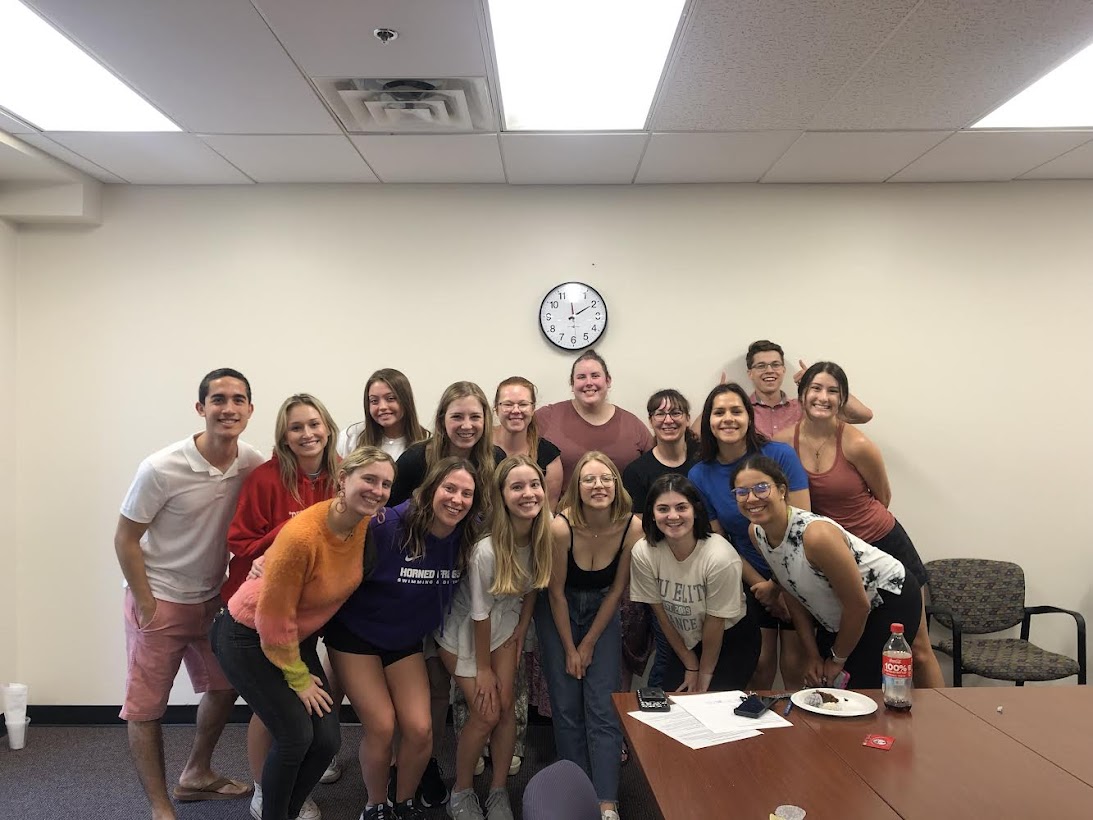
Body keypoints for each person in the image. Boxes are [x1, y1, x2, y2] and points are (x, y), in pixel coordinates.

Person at [211, 447, 396, 820]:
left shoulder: (361, 523)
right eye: (369, 479)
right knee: (296, 736)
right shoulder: (304, 535)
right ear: (343, 481)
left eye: (386, 484)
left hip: (294, 637)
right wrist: (299, 679)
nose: (378, 490)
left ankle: (286, 811)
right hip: (248, 635)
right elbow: (272, 621)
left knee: (326, 740)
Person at [113, 368, 262, 820]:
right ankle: (161, 806)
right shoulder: (160, 467)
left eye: (238, 400)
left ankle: (196, 774)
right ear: (201, 409)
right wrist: (145, 603)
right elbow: (125, 538)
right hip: (159, 598)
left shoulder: (252, 463)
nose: (228, 408)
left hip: (213, 601)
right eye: (218, 399)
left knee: (224, 687)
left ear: (250, 410)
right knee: (145, 708)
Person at [326, 458, 485, 820]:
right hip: (355, 636)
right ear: (430, 490)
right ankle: (375, 806)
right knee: (382, 726)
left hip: (404, 641)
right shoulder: (387, 525)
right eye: (449, 488)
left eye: (466, 493)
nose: (457, 499)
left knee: (420, 727)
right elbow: (329, 547)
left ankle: (403, 801)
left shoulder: (469, 534)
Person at [777, 362, 944, 688]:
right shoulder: (783, 443)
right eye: (815, 389)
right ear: (801, 395)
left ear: (842, 400)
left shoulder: (857, 444)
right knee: (853, 646)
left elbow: (882, 497)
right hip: (830, 555)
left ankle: (944, 724)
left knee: (919, 649)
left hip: (883, 544)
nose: (823, 397)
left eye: (832, 391)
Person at [387, 382, 506, 805]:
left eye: (475, 416)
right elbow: (388, 520)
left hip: (467, 589)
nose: (467, 425)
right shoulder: (417, 459)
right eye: (457, 416)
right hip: (417, 587)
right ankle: (410, 766)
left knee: (445, 688)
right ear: (441, 420)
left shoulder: (499, 461)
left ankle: (430, 762)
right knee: (423, 686)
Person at [224, 394, 342, 820]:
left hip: (307, 616)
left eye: (314, 424)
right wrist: (288, 534)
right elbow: (239, 543)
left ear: (327, 428)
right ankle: (263, 789)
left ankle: (290, 785)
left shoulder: (344, 475)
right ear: (284, 436)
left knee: (319, 730)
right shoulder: (265, 480)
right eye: (297, 427)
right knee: (276, 715)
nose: (307, 434)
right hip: (259, 615)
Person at [734, 455, 921, 689]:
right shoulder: (757, 533)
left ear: (781, 490)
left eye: (761, 488)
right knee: (821, 680)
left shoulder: (816, 536)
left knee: (860, 689)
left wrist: (837, 659)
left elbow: (858, 606)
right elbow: (791, 591)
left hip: (887, 597)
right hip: (843, 610)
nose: (751, 498)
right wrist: (812, 654)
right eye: (741, 492)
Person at [437, 456, 553, 820]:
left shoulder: (541, 536)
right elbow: (478, 614)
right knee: (486, 713)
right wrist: (484, 670)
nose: (527, 493)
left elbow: (534, 587)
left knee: (505, 712)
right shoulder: (486, 550)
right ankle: (462, 791)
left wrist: (521, 631)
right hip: (465, 633)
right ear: (502, 496)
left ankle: (499, 790)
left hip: (506, 626)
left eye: (534, 485)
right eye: (516, 487)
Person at [534, 452, 642, 820]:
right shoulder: (561, 527)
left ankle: (606, 800)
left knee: (602, 707)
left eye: (606, 478)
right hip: (558, 612)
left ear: (617, 484)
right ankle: (574, 795)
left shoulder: (633, 527)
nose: (598, 486)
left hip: (602, 611)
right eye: (589, 480)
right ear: (576, 488)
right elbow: (555, 593)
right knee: (565, 706)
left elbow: (616, 591)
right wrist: (570, 648)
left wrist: (590, 642)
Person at [687, 383, 809, 690]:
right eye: (719, 412)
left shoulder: (780, 455)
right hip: (748, 576)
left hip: (798, 571)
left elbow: (803, 527)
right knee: (759, 666)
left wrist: (779, 586)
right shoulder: (699, 474)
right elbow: (720, 542)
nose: (728, 418)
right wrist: (763, 588)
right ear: (708, 422)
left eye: (736, 411)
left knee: (797, 666)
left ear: (749, 416)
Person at [630, 475, 760, 692]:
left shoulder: (720, 556)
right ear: (652, 514)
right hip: (684, 641)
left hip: (730, 639)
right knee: (674, 703)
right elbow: (661, 614)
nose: (673, 516)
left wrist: (704, 675)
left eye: (681, 507)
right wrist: (690, 663)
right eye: (663, 509)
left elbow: (715, 622)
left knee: (712, 706)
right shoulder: (643, 552)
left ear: (696, 510)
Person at [621, 389, 699, 687]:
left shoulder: (701, 465)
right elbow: (640, 528)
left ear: (687, 419)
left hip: (701, 573)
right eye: (660, 414)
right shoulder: (637, 471)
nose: (668, 420)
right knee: (667, 656)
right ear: (651, 420)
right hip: (660, 576)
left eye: (676, 412)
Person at [535, 349, 652, 485]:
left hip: (623, 507)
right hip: (563, 507)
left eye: (595, 376)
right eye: (581, 377)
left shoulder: (632, 424)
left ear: (608, 381)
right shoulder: (548, 417)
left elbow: (656, 466)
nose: (589, 382)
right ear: (572, 384)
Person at [744, 340, 873, 439]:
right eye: (761, 366)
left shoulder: (805, 407)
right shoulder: (741, 411)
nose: (770, 371)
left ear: (783, 370)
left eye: (775, 365)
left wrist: (815, 381)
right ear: (750, 373)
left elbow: (863, 415)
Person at [493, 376, 563, 510]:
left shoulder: (549, 457)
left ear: (532, 408)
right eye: (508, 404)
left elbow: (547, 515)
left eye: (523, 404)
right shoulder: (480, 446)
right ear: (496, 408)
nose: (515, 410)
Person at [337, 368, 429, 460]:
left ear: (405, 400)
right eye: (374, 401)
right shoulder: (350, 437)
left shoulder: (427, 442)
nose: (382, 407)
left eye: (391, 398)